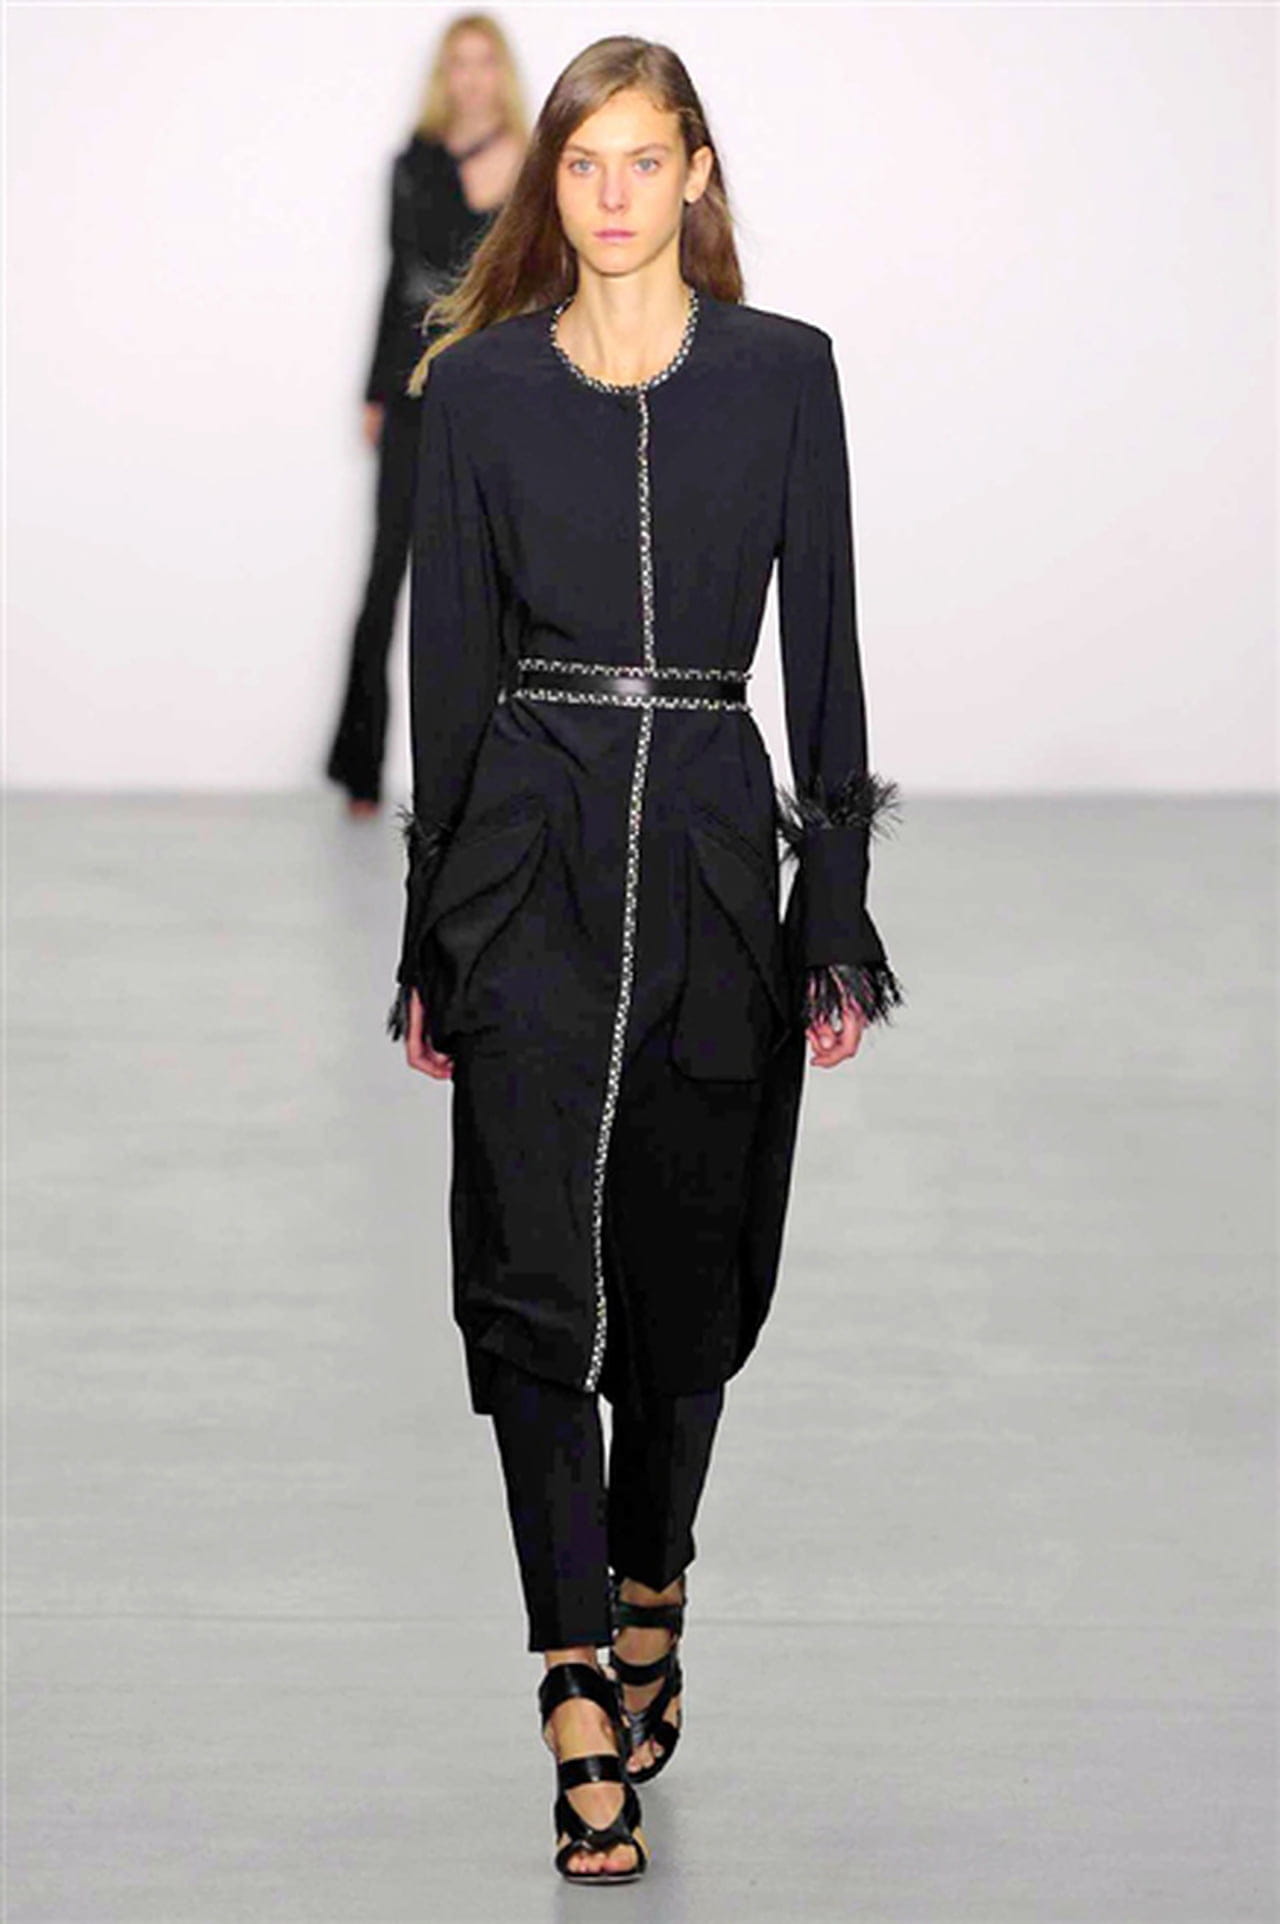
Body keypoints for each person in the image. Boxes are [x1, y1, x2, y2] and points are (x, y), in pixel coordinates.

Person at [388, 33, 905, 1885]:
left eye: (643, 159)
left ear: (696, 172)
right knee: (529, 1275)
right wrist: (431, 934)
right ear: (554, 180)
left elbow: (825, 643)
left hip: (703, 851)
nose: (612, 194)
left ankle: (653, 1574)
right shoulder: (479, 391)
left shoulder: (783, 375)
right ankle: (572, 1688)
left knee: (687, 1269)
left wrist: (832, 900)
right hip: (526, 855)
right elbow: (449, 662)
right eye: (581, 161)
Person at [325, 14, 527, 816]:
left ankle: (509, 768)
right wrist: (375, 390)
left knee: (506, 581)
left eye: (484, 62)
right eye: (458, 63)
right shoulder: (412, 163)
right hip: (412, 389)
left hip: (496, 392)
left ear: (502, 72)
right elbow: (397, 278)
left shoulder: (537, 163)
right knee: (386, 575)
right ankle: (360, 768)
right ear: (443, 75)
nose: (471, 77)